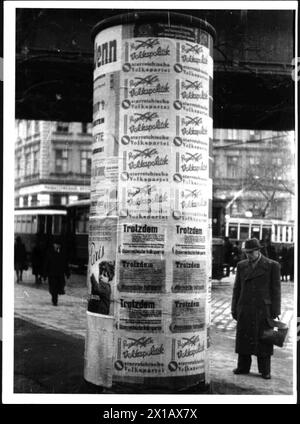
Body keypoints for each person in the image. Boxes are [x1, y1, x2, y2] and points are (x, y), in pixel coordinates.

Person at [231, 237, 281, 380]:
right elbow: (237, 289)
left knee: (264, 339)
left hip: (263, 309)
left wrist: (275, 310)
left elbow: (276, 290)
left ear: (258, 251)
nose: (248, 255)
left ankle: (265, 370)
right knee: (244, 338)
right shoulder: (241, 265)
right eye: (246, 252)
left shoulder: (272, 265)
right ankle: (243, 367)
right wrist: (234, 308)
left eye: (251, 252)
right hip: (245, 307)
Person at [43, 239, 70, 306]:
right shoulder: (49, 253)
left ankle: (55, 299)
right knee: (53, 288)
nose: (57, 246)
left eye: (58, 245)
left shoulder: (63, 253)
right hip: (52, 274)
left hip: (60, 274)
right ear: (53, 245)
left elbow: (65, 264)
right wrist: (45, 274)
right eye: (56, 244)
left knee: (59, 287)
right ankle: (54, 299)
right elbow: (47, 264)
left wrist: (67, 272)